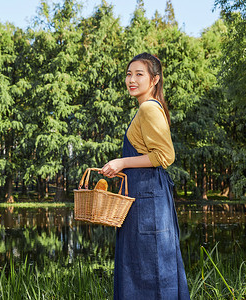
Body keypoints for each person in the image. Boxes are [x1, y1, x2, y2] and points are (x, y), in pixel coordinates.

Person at [99, 52, 190, 299]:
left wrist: (121, 162)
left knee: (151, 268)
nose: (132, 79)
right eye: (129, 74)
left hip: (148, 201)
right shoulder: (145, 109)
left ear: (154, 80)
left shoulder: (149, 108)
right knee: (143, 266)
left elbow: (164, 156)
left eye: (139, 74)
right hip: (144, 197)